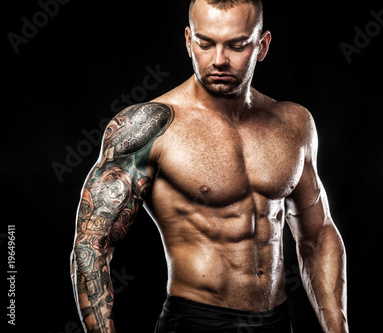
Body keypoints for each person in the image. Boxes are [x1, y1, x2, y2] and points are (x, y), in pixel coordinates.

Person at [70, 0, 348, 332]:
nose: (218, 60)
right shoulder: (149, 128)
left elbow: (317, 235)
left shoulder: (294, 124)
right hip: (195, 322)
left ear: (262, 46)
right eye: (205, 43)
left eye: (236, 45)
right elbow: (91, 246)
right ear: (189, 41)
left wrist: (337, 327)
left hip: (276, 321)